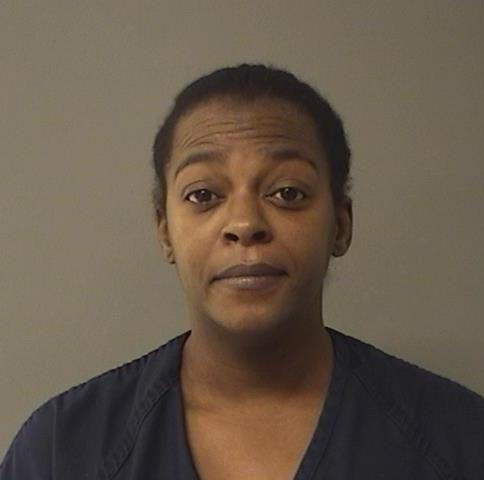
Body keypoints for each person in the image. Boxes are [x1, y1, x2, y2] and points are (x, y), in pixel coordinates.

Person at [1, 64, 483, 480]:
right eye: (203, 195)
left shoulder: (460, 441)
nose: (245, 224)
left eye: (288, 192)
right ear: (165, 230)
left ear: (340, 224)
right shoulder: (59, 451)